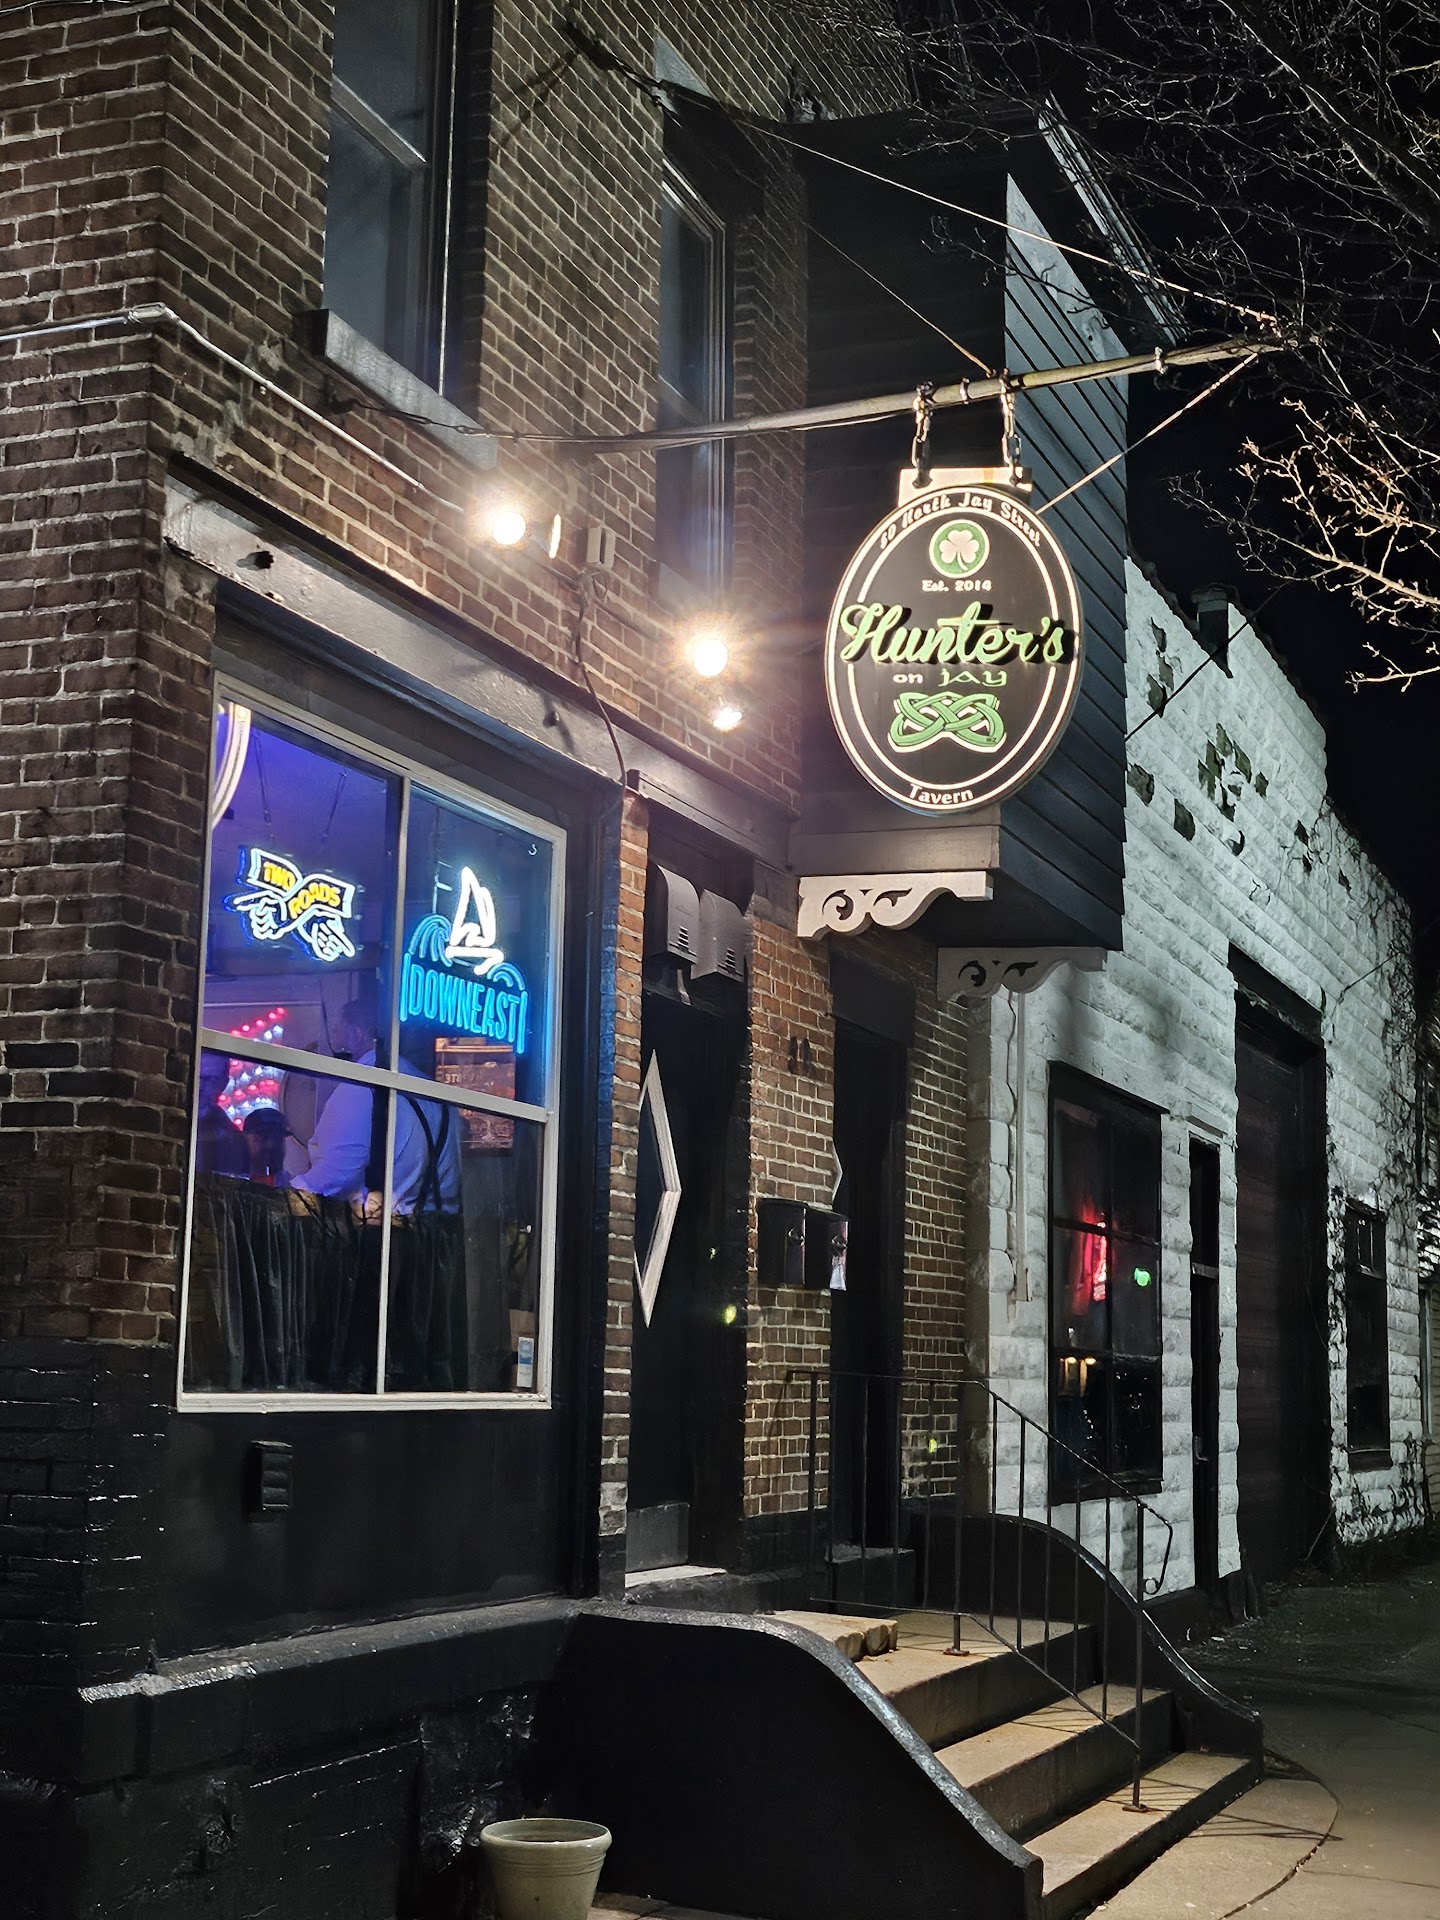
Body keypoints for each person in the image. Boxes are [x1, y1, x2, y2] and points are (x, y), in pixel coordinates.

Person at [290, 994, 461, 1213]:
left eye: (338, 1032)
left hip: (377, 1226)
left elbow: (339, 1171)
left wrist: (294, 1193)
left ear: (356, 1034)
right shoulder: (438, 1099)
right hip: (429, 1225)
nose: (336, 1045)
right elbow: (450, 1180)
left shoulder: (361, 1086)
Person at [194, 1052, 248, 1178]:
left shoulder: (235, 1140)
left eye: (211, 1080)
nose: (201, 1085)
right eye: (198, 1077)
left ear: (223, 1083)